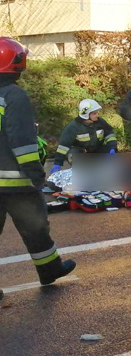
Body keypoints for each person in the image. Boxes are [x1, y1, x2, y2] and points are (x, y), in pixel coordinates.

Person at [0, 37, 76, 286]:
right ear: (17, 63)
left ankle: (50, 268)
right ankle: (49, 269)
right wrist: (36, 175)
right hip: (15, 183)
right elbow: (22, 143)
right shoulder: (14, 95)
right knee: (35, 227)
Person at [51, 99, 117, 173]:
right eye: (94, 113)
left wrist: (112, 148)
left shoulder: (100, 122)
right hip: (82, 152)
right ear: (86, 115)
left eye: (97, 113)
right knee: (72, 156)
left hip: (97, 150)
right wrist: (57, 163)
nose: (97, 115)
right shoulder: (74, 127)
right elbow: (63, 146)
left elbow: (110, 134)